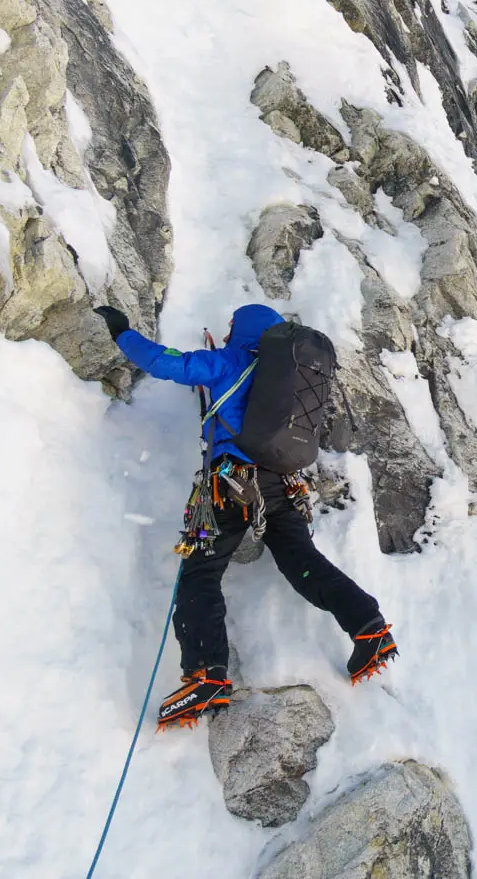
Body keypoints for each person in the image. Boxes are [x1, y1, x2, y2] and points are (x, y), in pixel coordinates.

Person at [94, 303, 397, 729]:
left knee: (201, 573)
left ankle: (206, 673)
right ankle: (369, 627)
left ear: (241, 330)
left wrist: (122, 332)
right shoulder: (293, 378)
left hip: (230, 484)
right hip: (284, 486)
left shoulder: (228, 362)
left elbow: (164, 363)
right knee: (302, 562)